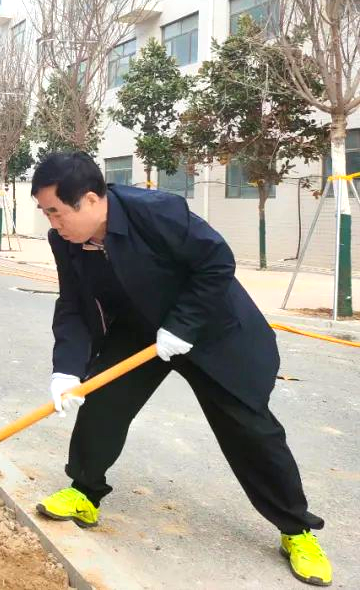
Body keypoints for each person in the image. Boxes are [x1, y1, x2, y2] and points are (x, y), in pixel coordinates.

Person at [31, 152, 331, 588]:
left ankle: (296, 530)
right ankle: (84, 492)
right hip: (139, 331)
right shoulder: (67, 242)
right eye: (47, 214)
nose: (53, 223)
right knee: (102, 402)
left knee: (249, 429)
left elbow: (216, 264)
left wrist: (183, 325)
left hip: (209, 328)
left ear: (92, 200)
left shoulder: (157, 212)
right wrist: (67, 370)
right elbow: (73, 304)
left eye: (56, 212)